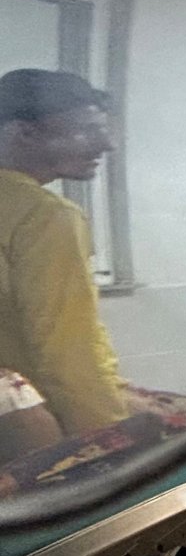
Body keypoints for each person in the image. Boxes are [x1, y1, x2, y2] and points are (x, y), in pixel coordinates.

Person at [0, 69, 127, 438]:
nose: (107, 144)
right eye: (87, 130)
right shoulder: (45, 215)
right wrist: (114, 442)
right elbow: (67, 353)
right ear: (25, 132)